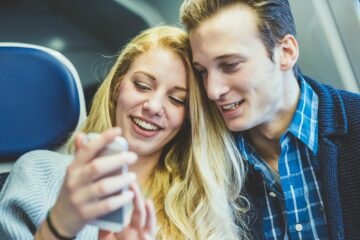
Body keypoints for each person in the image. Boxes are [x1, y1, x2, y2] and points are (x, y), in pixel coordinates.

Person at [0, 26, 249, 239]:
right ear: (118, 86)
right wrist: (58, 227)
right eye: (142, 86)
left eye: (176, 99)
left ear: (188, 118)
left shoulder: (200, 208)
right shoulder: (38, 173)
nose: (153, 107)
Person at [180, 0, 360, 239]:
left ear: (286, 53)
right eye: (202, 71)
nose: (213, 90)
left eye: (230, 65)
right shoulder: (204, 161)